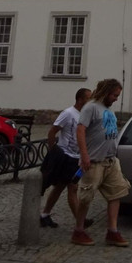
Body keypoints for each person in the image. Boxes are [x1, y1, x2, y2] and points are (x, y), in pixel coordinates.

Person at [74, 78, 131, 248]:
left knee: (117, 193)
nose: (116, 98)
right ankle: (78, 230)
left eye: (118, 95)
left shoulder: (109, 110)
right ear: (106, 92)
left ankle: (112, 231)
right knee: (86, 197)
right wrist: (84, 155)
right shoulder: (91, 107)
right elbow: (80, 130)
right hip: (94, 161)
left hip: (111, 161)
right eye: (114, 95)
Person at [39, 87, 92, 229]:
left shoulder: (86, 115)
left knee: (60, 187)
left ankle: (45, 214)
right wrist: (53, 151)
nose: (91, 101)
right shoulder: (68, 113)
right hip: (66, 157)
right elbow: (52, 131)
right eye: (88, 98)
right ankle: (80, 221)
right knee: (73, 188)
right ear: (80, 99)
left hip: (77, 158)